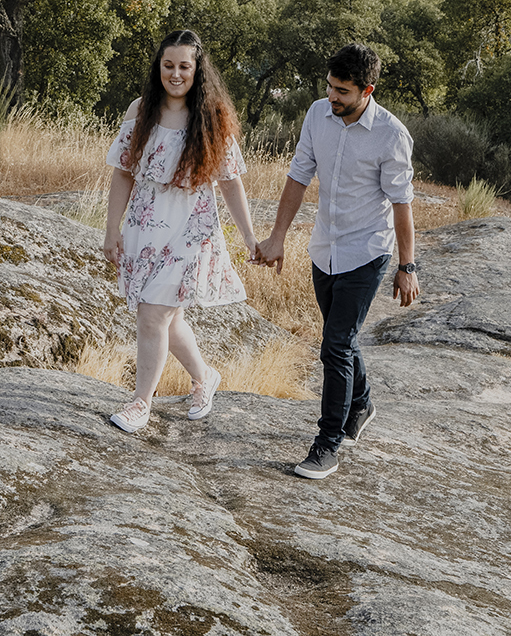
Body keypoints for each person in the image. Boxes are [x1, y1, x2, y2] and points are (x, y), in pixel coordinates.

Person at [254, 42, 419, 479]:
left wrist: (407, 267)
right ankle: (361, 403)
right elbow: (298, 176)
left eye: (342, 91)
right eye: (329, 86)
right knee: (340, 338)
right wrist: (277, 237)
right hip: (324, 249)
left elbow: (401, 203)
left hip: (367, 251)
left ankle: (327, 446)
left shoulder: (391, 135)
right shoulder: (316, 114)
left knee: (335, 345)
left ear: (367, 90)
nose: (332, 96)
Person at [103, 29, 259, 433]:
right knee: (167, 319)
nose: (175, 74)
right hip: (144, 228)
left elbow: (230, 182)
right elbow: (123, 173)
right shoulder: (140, 110)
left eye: (184, 67)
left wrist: (248, 237)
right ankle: (204, 376)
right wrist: (112, 228)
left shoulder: (212, 117)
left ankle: (141, 402)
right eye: (168, 65)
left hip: (190, 232)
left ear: (197, 70)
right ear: (158, 67)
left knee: (152, 314)